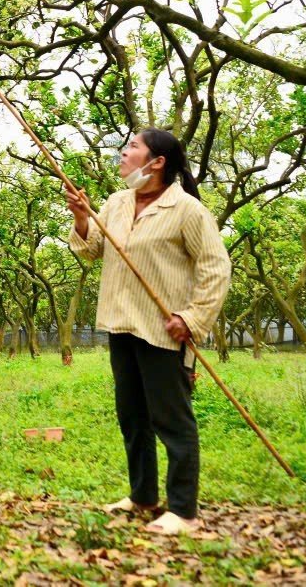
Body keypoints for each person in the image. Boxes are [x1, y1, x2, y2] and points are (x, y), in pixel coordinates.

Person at [64, 128, 231, 535]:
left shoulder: (187, 210)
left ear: (157, 163)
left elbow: (215, 267)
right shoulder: (118, 203)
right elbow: (90, 250)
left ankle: (184, 512)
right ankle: (143, 497)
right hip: (121, 323)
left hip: (163, 331)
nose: (123, 154)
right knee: (133, 417)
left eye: (132, 148)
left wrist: (192, 319)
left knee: (171, 420)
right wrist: (82, 217)